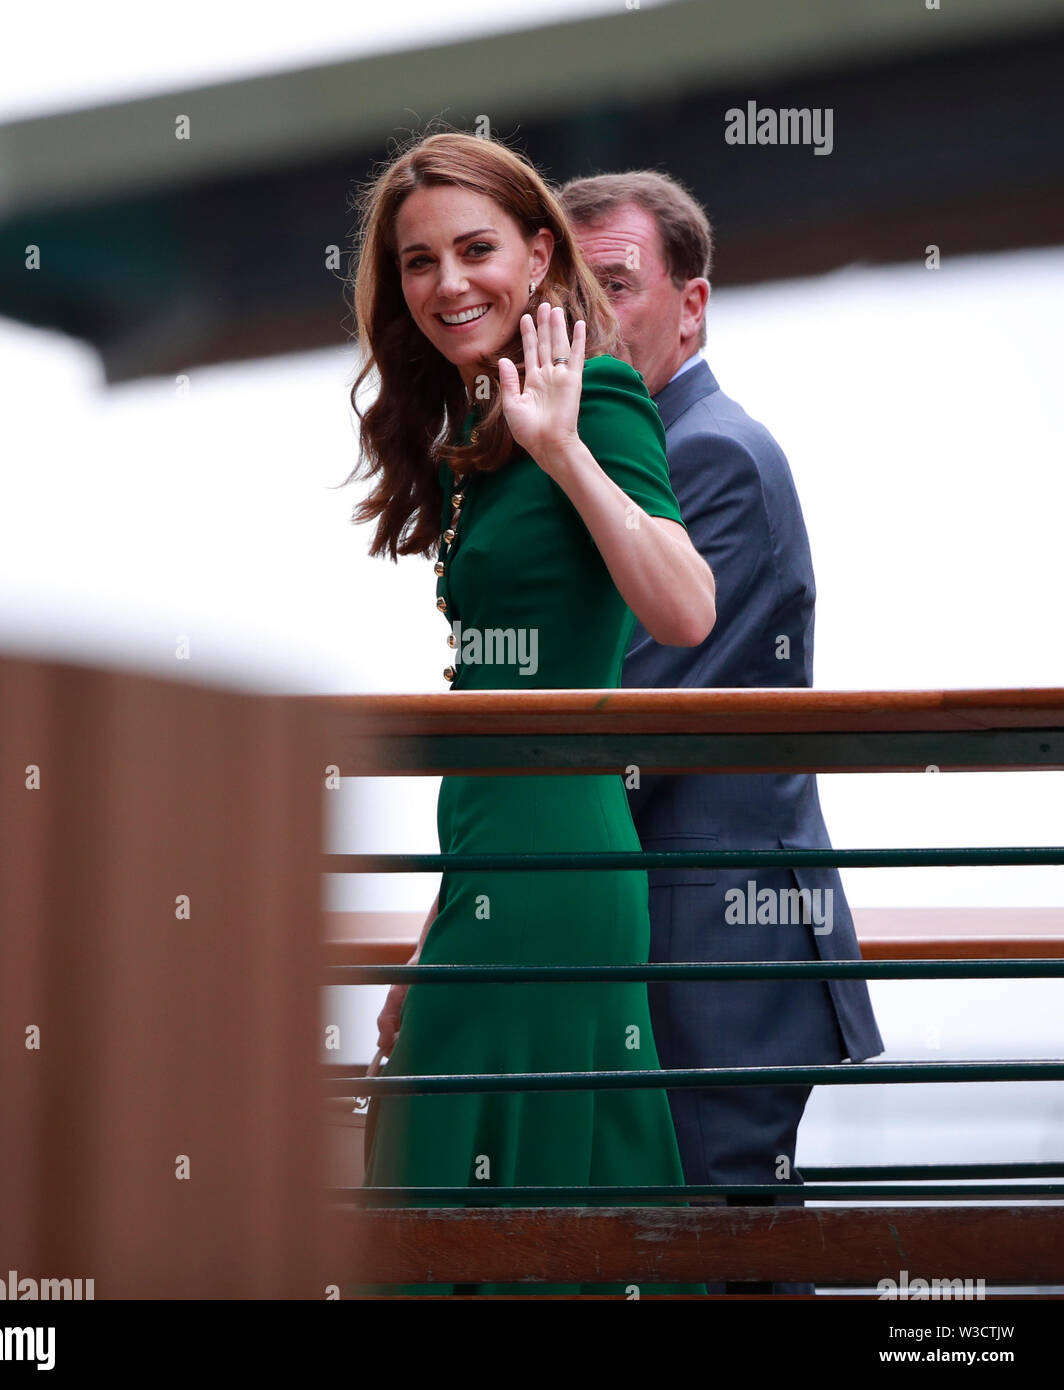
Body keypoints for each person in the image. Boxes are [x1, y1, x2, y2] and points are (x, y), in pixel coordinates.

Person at [345, 131, 716, 1296]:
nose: (447, 283)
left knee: (455, 1198)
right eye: (417, 262)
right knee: (459, 1187)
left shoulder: (588, 397)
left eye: (474, 249)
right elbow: (494, 699)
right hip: (495, 862)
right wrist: (441, 919)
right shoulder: (478, 427)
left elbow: (685, 604)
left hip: (558, 870)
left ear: (538, 251)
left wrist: (563, 448)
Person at [560, 170, 885, 1295]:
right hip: (707, 946)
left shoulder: (707, 458)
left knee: (726, 1259)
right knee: (708, 1256)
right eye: (574, 289)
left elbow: (626, 724)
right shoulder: (645, 455)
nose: (593, 318)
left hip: (718, 960)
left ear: (690, 304)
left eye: (617, 284)